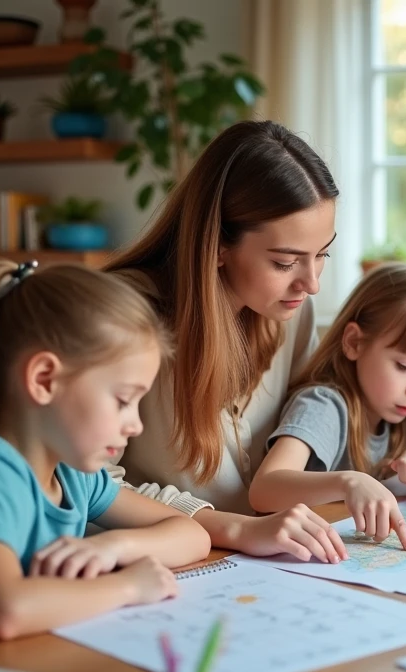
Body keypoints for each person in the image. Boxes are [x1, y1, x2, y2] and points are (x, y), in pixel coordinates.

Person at [0, 262, 211, 641]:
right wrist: (128, 587)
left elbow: (193, 535)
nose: (136, 425)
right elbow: (4, 610)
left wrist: (113, 547)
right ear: (44, 380)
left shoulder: (74, 475)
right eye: (124, 400)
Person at [107, 120, 346, 566]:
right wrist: (238, 529)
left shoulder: (292, 311)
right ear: (217, 245)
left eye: (323, 255)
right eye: (285, 262)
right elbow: (88, 486)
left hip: (263, 562)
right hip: (164, 565)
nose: (311, 283)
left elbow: (311, 412)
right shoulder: (124, 316)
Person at [250, 264, 406, 550]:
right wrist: (349, 482)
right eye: (404, 366)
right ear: (354, 342)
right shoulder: (325, 406)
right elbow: (263, 490)